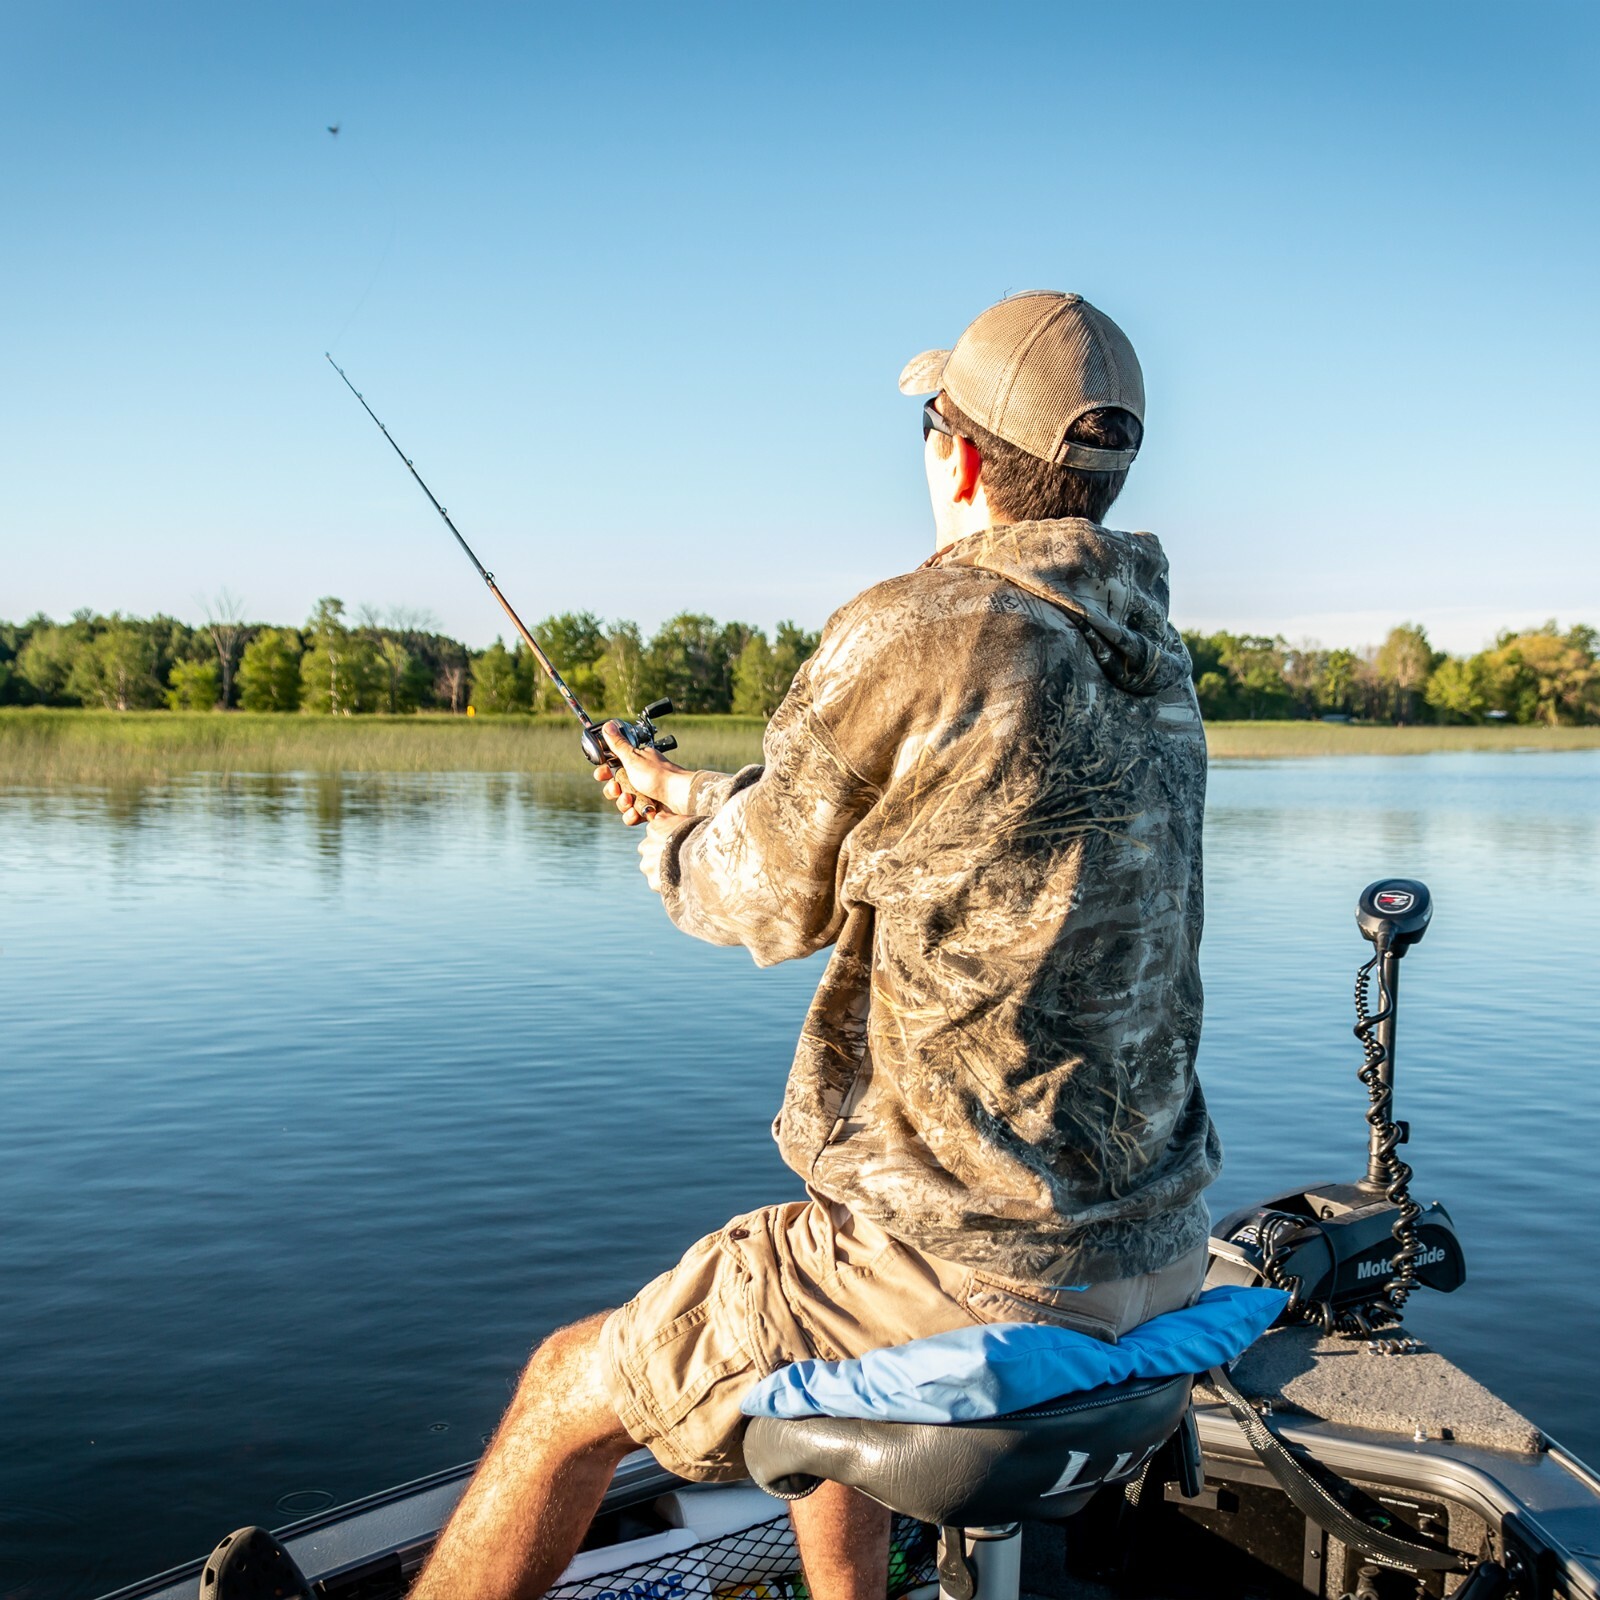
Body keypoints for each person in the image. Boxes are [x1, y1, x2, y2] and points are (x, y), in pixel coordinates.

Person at [409, 291, 1221, 1600]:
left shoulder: (919, 627)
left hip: (971, 1269)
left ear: (954, 452)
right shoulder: (1150, 653)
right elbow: (939, 837)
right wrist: (699, 794)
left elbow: (759, 901)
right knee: (830, 1242)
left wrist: (671, 846)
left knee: (563, 1394)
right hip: (1156, 1248)